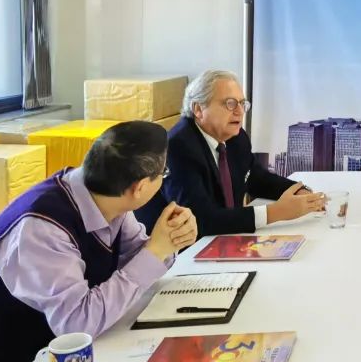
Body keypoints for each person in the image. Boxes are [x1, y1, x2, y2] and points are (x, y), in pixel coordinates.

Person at [0, 121, 197, 362]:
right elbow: (77, 323)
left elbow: (138, 257)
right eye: (163, 174)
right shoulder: (41, 229)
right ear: (140, 187)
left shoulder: (106, 197)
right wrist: (156, 250)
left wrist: (170, 240)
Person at [135, 70, 326, 237]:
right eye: (230, 104)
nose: (240, 112)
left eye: (242, 104)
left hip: (223, 239)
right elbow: (200, 219)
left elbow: (257, 178)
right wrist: (276, 212)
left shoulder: (236, 136)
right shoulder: (177, 147)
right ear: (198, 109)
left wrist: (300, 192)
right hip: (180, 253)